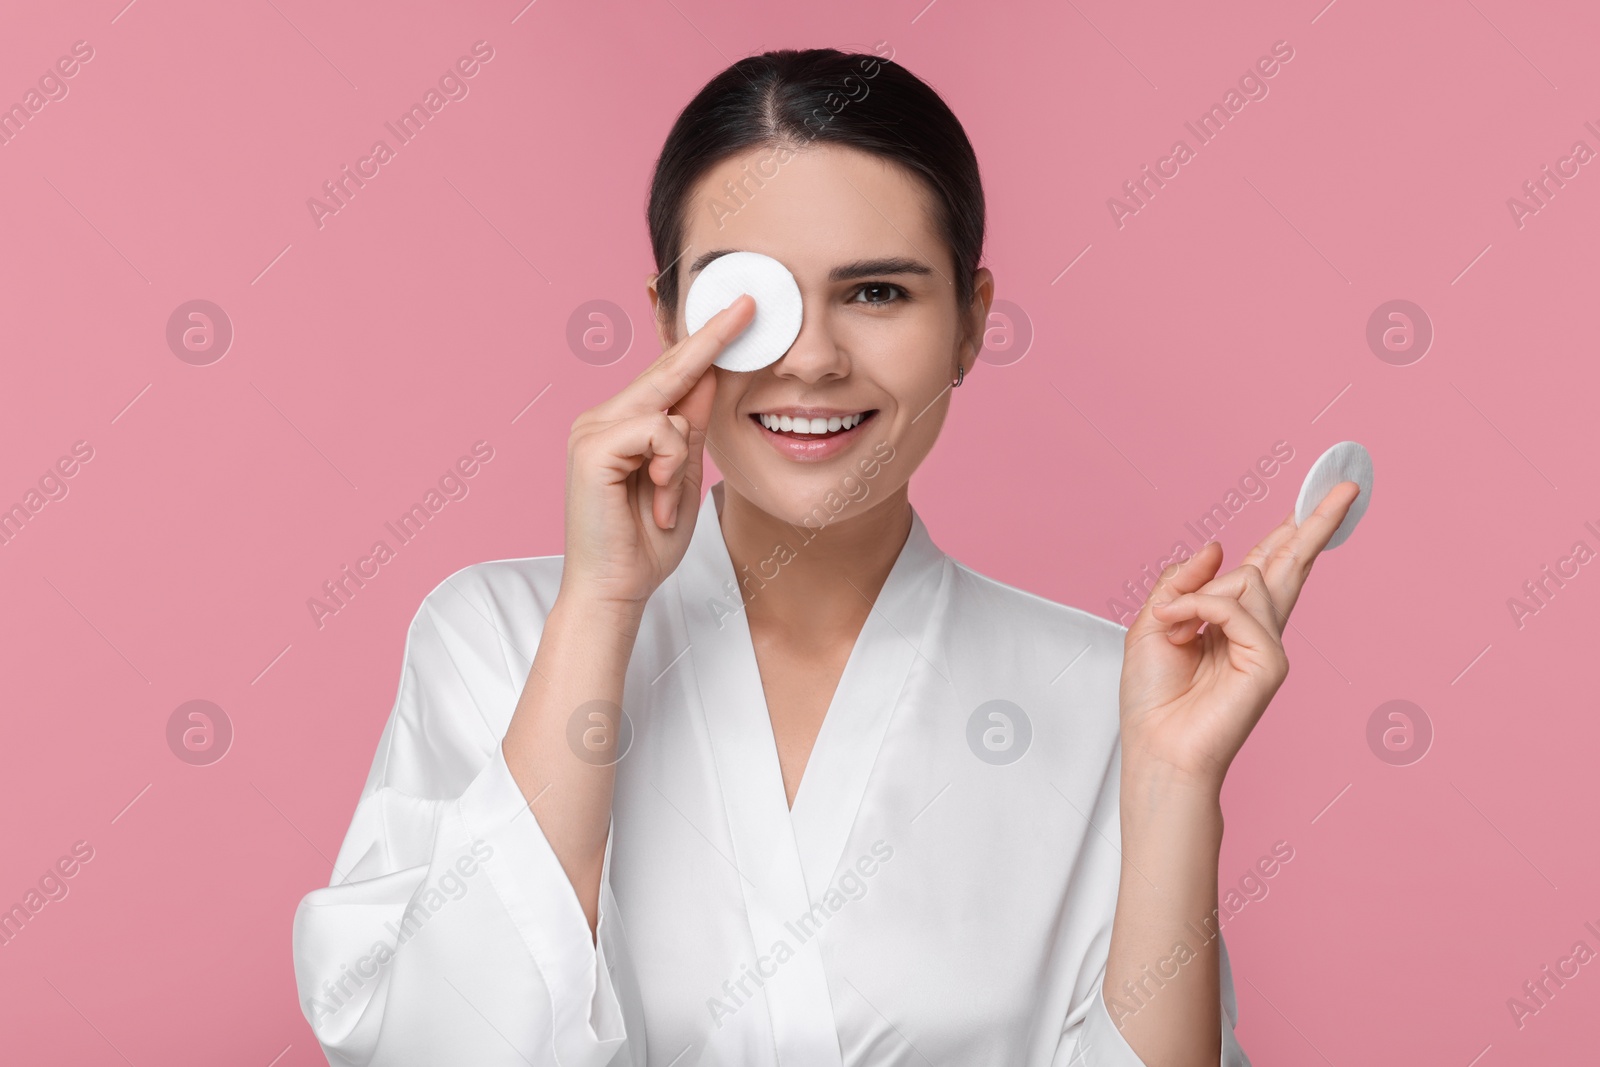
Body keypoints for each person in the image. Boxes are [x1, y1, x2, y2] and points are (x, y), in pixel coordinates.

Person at [291, 46, 1358, 1066]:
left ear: (970, 324)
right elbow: (447, 1041)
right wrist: (603, 604)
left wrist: (1174, 780)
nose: (809, 356)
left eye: (878, 292)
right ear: (667, 317)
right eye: (744, 302)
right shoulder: (498, 636)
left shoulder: (1103, 691)